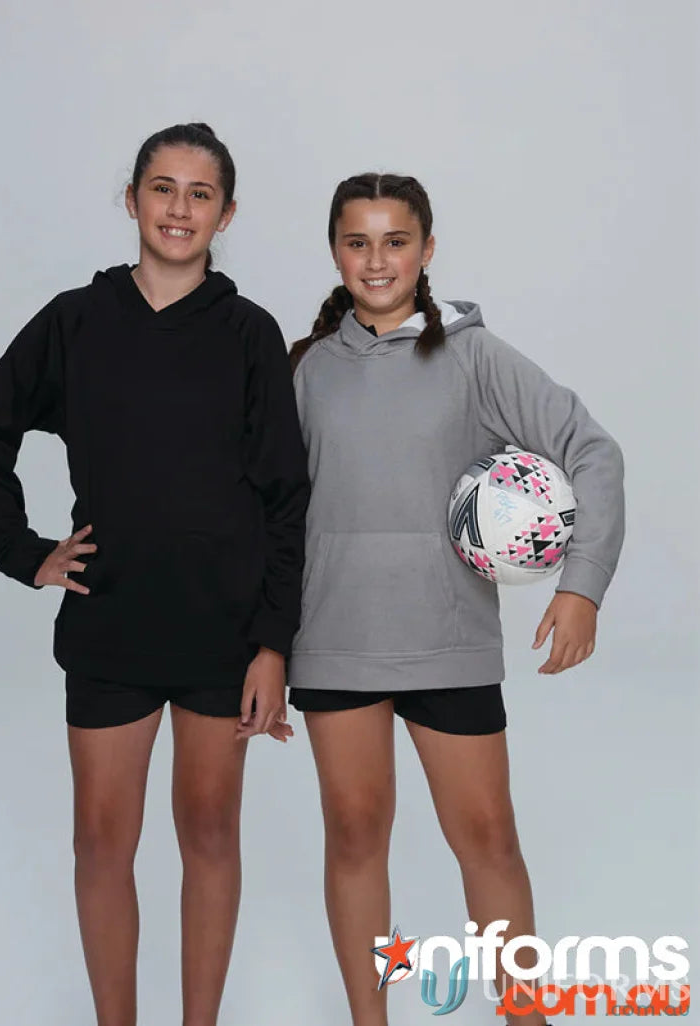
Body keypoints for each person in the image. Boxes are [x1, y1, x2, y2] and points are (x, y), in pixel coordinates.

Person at [0, 122, 310, 1026]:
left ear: (226, 214)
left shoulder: (249, 334)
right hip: (110, 625)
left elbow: (286, 499)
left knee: (210, 833)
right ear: (132, 199)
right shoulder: (76, 320)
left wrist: (273, 643)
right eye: (162, 188)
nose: (179, 208)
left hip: (223, 634)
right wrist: (24, 551)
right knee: (102, 841)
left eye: (199, 194)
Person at [287, 172, 625, 1026]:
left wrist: (582, 585)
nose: (377, 260)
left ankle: (525, 1016)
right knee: (354, 838)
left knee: (488, 840)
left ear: (427, 250)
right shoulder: (305, 370)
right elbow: (266, 514)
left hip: (449, 642)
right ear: (335, 252)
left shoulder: (474, 357)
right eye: (358, 242)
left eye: (396, 241)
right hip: (334, 643)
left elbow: (592, 449)